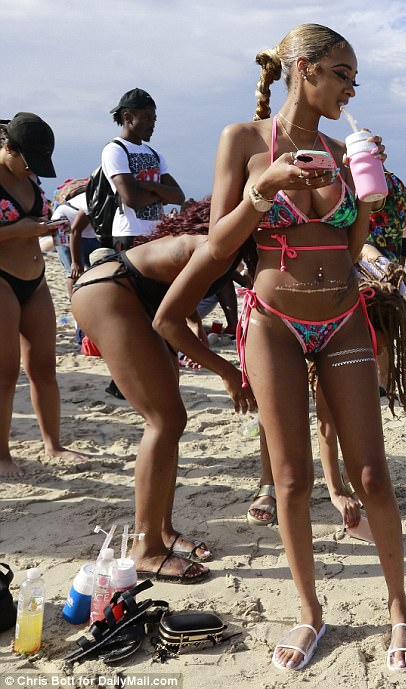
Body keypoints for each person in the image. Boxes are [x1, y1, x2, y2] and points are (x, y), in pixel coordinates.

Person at [202, 23, 406, 672]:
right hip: (273, 319)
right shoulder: (243, 140)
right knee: (293, 479)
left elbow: (350, 251)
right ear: (304, 69)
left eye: (356, 78)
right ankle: (311, 612)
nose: (352, 88)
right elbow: (219, 245)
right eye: (344, 74)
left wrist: (368, 194)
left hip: (344, 317)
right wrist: (263, 187)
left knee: (374, 475)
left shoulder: (336, 147)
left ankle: (399, 608)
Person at [72, 202, 252, 583]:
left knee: (171, 421)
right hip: (109, 294)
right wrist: (227, 372)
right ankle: (145, 548)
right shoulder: (216, 248)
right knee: (164, 420)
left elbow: (177, 289)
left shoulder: (225, 250)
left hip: (131, 293)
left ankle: (163, 532)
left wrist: (197, 323)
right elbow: (166, 320)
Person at [0, 113, 87, 479]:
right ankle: (2, 455)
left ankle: (53, 443)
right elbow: (18, 229)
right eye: (29, 161)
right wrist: (18, 230)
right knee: (5, 375)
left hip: (35, 280)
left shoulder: (30, 176)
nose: (32, 170)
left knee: (44, 369)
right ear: (9, 148)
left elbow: (35, 227)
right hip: (2, 279)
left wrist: (43, 228)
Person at [102, 89, 185, 251]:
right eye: (146, 118)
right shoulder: (115, 150)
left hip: (158, 233)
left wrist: (151, 186)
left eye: (154, 119)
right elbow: (132, 200)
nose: (152, 124)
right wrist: (162, 195)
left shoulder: (155, 154)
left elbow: (179, 196)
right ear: (127, 117)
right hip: (130, 234)